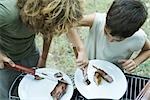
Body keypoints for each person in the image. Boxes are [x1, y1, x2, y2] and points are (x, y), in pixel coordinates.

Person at [0, 0, 87, 99]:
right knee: (7, 94)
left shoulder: (44, 17)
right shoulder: (8, 14)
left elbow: (48, 30)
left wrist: (43, 58)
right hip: (5, 61)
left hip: (30, 52)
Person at [74, 0, 150, 72]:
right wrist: (80, 48)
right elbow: (68, 23)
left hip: (114, 72)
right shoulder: (97, 20)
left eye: (117, 40)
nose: (110, 40)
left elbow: (148, 50)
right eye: (106, 33)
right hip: (88, 65)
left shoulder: (138, 37)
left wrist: (136, 62)